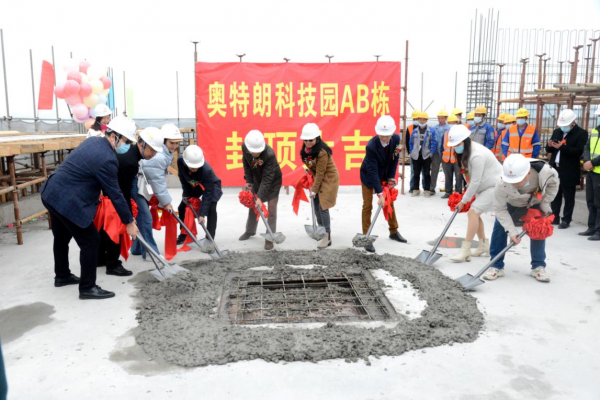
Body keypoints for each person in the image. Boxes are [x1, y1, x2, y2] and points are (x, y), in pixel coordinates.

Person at [40, 121, 139, 300]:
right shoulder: (108, 159)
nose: (126, 146)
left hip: (51, 192)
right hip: (66, 199)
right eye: (126, 141)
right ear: (115, 136)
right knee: (91, 241)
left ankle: (62, 276)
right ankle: (87, 287)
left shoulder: (92, 142)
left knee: (61, 236)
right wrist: (129, 222)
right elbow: (115, 194)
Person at [484, 154, 559, 282]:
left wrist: (545, 203)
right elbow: (500, 209)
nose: (515, 184)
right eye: (512, 181)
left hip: (536, 201)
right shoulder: (501, 184)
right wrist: (512, 232)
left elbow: (553, 185)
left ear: (529, 174)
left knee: (538, 231)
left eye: (518, 181)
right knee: (499, 228)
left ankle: (538, 265)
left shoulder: (546, 173)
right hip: (512, 202)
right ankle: (496, 265)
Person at [97, 117, 153, 276]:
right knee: (116, 229)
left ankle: (100, 259)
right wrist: (128, 216)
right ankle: (113, 264)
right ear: (142, 145)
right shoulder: (129, 160)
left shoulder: (123, 154)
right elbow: (123, 190)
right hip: (111, 196)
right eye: (152, 151)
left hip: (104, 193)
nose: (153, 155)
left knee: (103, 229)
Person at [448, 125, 503, 262]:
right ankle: (483, 245)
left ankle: (465, 249)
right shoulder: (466, 152)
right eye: (453, 145)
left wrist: (464, 200)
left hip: (494, 186)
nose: (455, 147)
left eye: (457, 144)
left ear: (465, 141)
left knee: (472, 213)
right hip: (484, 186)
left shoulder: (477, 155)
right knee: (475, 214)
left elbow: (475, 181)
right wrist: (466, 196)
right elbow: (470, 178)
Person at [131, 124, 183, 258]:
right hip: (136, 185)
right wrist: (166, 202)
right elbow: (157, 182)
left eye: (177, 143)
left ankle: (137, 248)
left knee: (141, 217)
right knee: (145, 218)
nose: (174, 146)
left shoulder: (164, 154)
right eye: (172, 143)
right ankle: (150, 253)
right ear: (164, 141)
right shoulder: (159, 157)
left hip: (142, 185)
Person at [360, 115, 407, 253]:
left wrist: (391, 177)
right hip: (368, 176)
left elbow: (395, 158)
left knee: (389, 202)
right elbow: (372, 171)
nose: (384, 138)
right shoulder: (371, 146)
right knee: (367, 205)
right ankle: (366, 236)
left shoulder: (397, 140)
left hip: (385, 174)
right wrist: (380, 193)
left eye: (387, 135)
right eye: (381, 135)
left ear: (392, 133)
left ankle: (393, 231)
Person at [239, 129, 282, 250]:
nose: (255, 154)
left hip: (273, 181)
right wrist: (249, 181)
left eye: (258, 152)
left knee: (271, 209)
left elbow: (268, 178)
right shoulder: (245, 147)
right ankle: (250, 231)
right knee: (254, 205)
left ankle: (269, 237)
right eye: (253, 152)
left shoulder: (269, 154)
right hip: (257, 179)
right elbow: (246, 163)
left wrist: (261, 197)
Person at [546, 109, 588, 229]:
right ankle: (554, 216)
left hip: (569, 169)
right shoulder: (557, 132)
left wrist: (562, 147)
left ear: (572, 123)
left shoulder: (581, 134)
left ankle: (566, 219)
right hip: (555, 168)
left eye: (566, 125)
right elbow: (550, 150)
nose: (563, 128)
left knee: (569, 196)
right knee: (555, 194)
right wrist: (549, 146)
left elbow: (579, 151)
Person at [300, 123, 340, 249]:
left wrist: (314, 190)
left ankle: (327, 236)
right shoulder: (306, 151)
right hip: (318, 177)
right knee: (316, 205)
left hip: (328, 179)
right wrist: (310, 174)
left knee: (323, 207)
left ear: (317, 138)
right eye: (305, 140)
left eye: (310, 140)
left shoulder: (322, 152)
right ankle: (320, 229)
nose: (307, 142)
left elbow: (321, 173)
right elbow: (314, 169)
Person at [177, 145, 223, 240]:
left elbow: (208, 193)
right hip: (195, 185)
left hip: (211, 186)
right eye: (192, 167)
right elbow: (183, 178)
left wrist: (202, 214)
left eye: (197, 166)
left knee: (211, 209)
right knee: (182, 208)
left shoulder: (207, 170)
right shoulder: (180, 161)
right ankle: (184, 234)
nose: (195, 168)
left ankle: (209, 239)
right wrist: (186, 194)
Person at [580, 107, 600, 241]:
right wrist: (587, 160)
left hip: (597, 170)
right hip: (592, 171)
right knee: (591, 200)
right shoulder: (595, 130)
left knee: (599, 203)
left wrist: (592, 163)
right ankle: (591, 227)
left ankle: (598, 230)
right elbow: (587, 147)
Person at [409, 111, 437, 197]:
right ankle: (416, 190)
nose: (421, 121)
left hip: (426, 156)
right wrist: (412, 152)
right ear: (418, 120)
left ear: (426, 120)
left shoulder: (431, 131)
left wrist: (431, 153)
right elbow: (411, 142)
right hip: (416, 156)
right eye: (420, 119)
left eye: (423, 120)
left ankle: (427, 190)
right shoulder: (415, 131)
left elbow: (434, 143)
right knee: (416, 173)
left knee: (426, 173)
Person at [441, 114, 463, 199]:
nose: (451, 124)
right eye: (450, 122)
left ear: (457, 123)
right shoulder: (446, 133)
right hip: (446, 159)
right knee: (448, 176)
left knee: (458, 177)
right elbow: (442, 146)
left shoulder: (461, 134)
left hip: (457, 159)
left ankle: (458, 193)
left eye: (453, 122)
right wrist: (443, 154)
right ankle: (448, 192)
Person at [430, 110, 450, 196]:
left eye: (442, 118)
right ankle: (431, 188)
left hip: (446, 152)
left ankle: (448, 190)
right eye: (439, 118)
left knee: (447, 172)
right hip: (436, 153)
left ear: (446, 118)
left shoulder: (449, 128)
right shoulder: (434, 128)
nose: (440, 120)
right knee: (434, 170)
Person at [405, 110, 422, 191]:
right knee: (413, 171)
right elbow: (407, 140)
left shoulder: (425, 127)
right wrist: (410, 152)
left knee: (424, 171)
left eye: (417, 118)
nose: (415, 120)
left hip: (423, 154)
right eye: (414, 119)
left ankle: (426, 188)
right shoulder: (409, 128)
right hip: (413, 153)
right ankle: (412, 187)